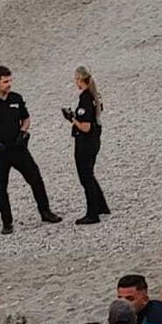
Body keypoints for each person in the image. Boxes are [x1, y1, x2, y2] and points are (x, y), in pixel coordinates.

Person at [0, 66, 62, 234]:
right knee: (1, 187)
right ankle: (7, 223)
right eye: (5, 81)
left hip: (18, 148)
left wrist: (23, 132)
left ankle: (45, 211)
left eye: (10, 80)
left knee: (35, 178)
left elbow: (26, 119)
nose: (9, 84)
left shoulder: (16, 98)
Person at [63, 66, 109, 226]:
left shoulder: (85, 98)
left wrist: (72, 118)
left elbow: (86, 126)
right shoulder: (94, 96)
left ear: (79, 80)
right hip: (94, 140)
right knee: (89, 173)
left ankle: (92, 213)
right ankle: (101, 205)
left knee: (85, 177)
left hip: (85, 142)